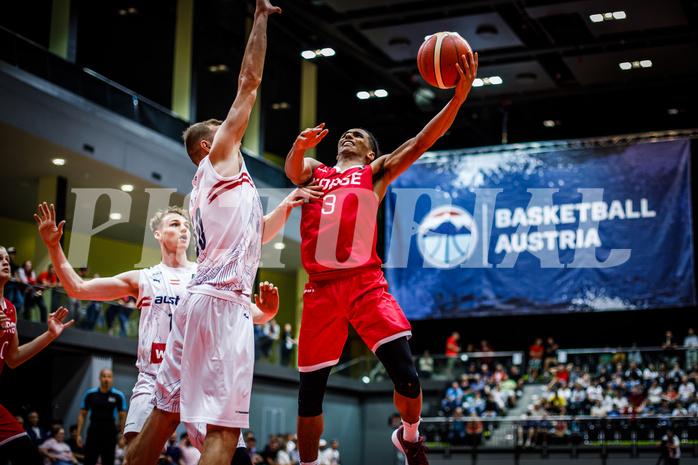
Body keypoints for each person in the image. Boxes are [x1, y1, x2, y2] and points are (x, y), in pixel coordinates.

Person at [124, 1, 321, 463]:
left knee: (165, 416)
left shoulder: (214, 188)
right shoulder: (220, 162)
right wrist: (259, 19)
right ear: (209, 146)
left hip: (199, 302)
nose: (235, 128)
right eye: (224, 128)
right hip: (221, 307)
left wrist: (288, 205)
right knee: (224, 431)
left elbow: (255, 240)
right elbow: (249, 84)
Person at [285, 47, 477, 465]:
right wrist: (299, 147)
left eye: (359, 135)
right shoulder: (317, 171)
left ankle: (408, 437)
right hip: (321, 289)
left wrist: (457, 99)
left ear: (371, 153)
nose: (348, 135)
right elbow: (292, 171)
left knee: (406, 376)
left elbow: (423, 140)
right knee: (308, 394)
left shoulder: (375, 172)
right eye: (345, 133)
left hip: (364, 284)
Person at [37, 203, 271, 462]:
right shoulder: (145, 278)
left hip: (200, 380)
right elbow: (77, 288)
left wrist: (269, 310)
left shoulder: (207, 276)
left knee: (234, 455)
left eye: (186, 226)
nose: (183, 228)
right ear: (158, 234)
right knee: (138, 453)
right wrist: (53, 246)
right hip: (155, 377)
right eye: (174, 224)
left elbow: (252, 313)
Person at [0, 246, 73, 465]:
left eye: (6, 258)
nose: (5, 261)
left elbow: (13, 358)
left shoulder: (10, 309)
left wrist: (50, 335)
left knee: (29, 456)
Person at [76, 368, 127, 465]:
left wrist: (122, 436)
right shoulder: (90, 394)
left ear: (112, 379)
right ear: (100, 378)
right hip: (93, 431)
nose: (106, 379)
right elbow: (82, 415)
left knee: (108, 461)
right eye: (104, 376)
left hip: (109, 433)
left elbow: (123, 417)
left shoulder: (118, 396)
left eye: (109, 376)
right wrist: (78, 434)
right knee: (89, 460)